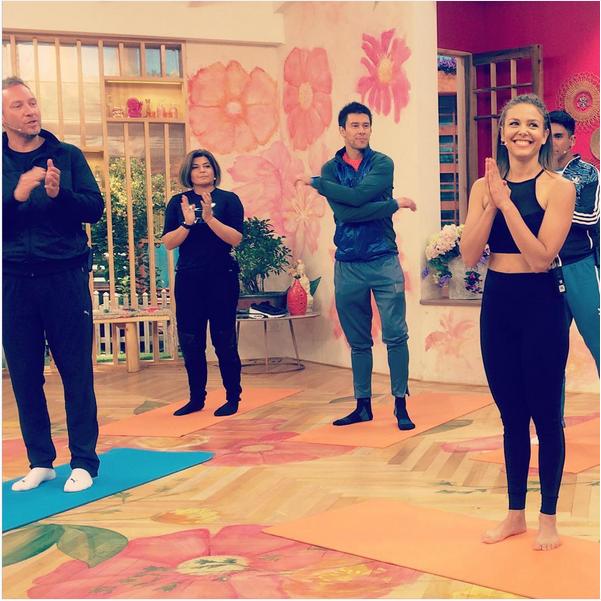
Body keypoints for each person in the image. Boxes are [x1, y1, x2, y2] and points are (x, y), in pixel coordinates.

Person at [460, 94, 575, 550]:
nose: (522, 131)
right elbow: (470, 254)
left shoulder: (559, 188)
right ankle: (514, 515)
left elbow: (542, 257)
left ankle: (548, 518)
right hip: (499, 302)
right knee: (511, 417)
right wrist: (492, 201)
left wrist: (507, 204)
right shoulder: (481, 188)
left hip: (541, 304)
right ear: (502, 133)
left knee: (546, 415)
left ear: (544, 135)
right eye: (514, 124)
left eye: (532, 124)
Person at [2, 76, 104, 492]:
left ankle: (84, 462)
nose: (30, 111)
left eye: (32, 102)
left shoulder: (67, 155)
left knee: (76, 371)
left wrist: (60, 194)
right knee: (24, 375)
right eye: (18, 105)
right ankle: (40, 461)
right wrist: (16, 195)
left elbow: (94, 208)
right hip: (13, 280)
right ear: (3, 116)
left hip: (64, 276)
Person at [296, 101, 417, 430]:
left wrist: (318, 184)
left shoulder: (382, 163)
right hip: (348, 263)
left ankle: (401, 404)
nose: (361, 131)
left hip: (384, 259)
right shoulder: (331, 169)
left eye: (366, 125)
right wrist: (392, 204)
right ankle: (362, 406)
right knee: (358, 341)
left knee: (396, 335)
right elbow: (347, 212)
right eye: (355, 125)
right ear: (342, 130)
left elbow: (358, 196)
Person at [162, 149, 244, 417]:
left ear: (214, 170)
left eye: (206, 166)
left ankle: (232, 397)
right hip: (189, 279)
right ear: (189, 172)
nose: (201, 171)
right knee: (191, 341)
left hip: (221, 277)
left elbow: (235, 238)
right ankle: (196, 398)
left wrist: (209, 219)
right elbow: (168, 242)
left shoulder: (229, 200)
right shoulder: (178, 202)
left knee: (224, 339)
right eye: (196, 167)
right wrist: (186, 224)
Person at [548, 110, 599, 411]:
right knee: (550, 353)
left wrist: (546, 209)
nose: (552, 142)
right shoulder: (535, 174)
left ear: (571, 140)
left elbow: (589, 217)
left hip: (580, 267)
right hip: (545, 272)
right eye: (549, 135)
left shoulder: (587, 174)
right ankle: (553, 423)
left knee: (599, 343)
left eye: (559, 136)